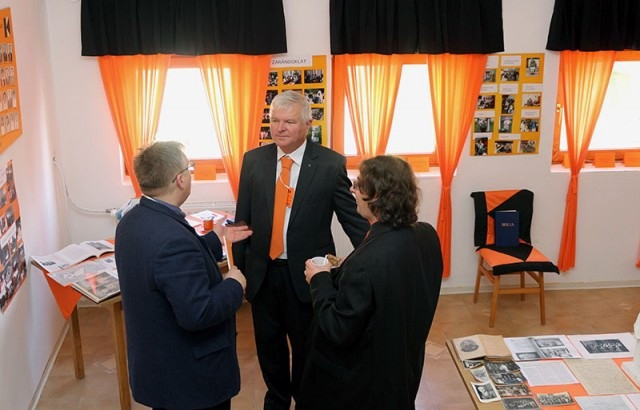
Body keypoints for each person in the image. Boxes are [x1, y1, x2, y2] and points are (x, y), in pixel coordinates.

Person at [232, 90, 369, 409]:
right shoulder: (254, 160)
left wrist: (377, 256)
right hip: (263, 275)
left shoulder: (330, 164)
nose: (279, 128)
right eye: (274, 121)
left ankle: (306, 401)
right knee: (269, 349)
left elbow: (352, 220)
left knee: (308, 349)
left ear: (308, 125)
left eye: (289, 122)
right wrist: (241, 272)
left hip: (308, 277)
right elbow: (243, 220)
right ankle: (277, 400)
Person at [298, 155, 443, 410]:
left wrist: (319, 280)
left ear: (375, 196)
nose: (352, 191)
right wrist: (345, 270)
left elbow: (337, 329)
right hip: (402, 371)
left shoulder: (365, 263)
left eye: (358, 185)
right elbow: (391, 285)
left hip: (364, 386)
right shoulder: (427, 235)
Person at [115, 141, 251, 410]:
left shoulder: (132, 220)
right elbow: (198, 313)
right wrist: (234, 285)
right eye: (189, 168)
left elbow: (168, 268)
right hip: (190, 380)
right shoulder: (172, 239)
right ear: (180, 179)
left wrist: (216, 239)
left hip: (158, 366)